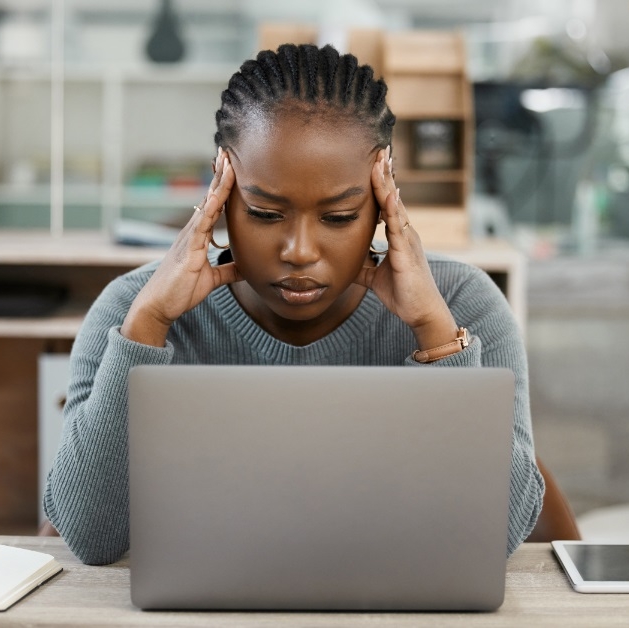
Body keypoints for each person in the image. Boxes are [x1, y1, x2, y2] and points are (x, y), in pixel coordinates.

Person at [44, 43, 544, 566]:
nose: (300, 252)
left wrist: (437, 335)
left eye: (339, 216)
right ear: (222, 190)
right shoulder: (133, 308)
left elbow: (501, 534)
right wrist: (148, 326)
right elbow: (88, 535)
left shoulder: (463, 304)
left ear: (381, 196)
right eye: (263, 213)